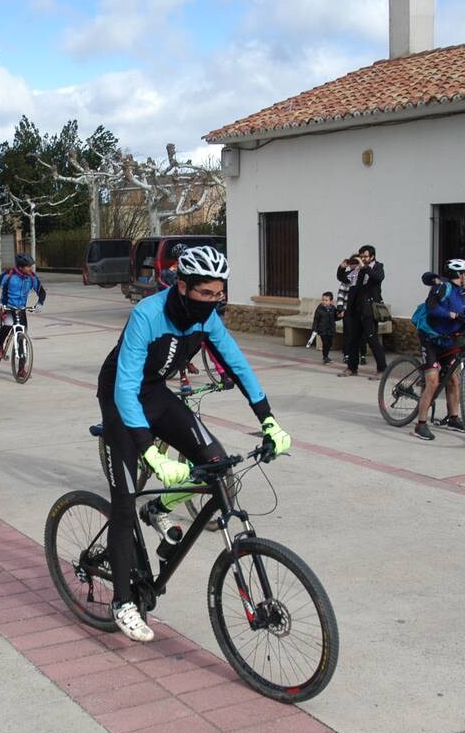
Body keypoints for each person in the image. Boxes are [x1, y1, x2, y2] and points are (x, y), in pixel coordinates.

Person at [97, 245, 290, 642]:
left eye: (219, 294)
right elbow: (127, 387)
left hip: (156, 394)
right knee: (123, 498)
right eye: (205, 294)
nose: (213, 302)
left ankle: (159, 508)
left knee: (216, 463)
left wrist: (268, 420)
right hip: (121, 397)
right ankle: (122, 601)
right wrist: (150, 451)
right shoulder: (147, 315)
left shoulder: (208, 320)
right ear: (182, 286)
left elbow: (237, 365)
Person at [412, 260, 465, 441]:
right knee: (432, 381)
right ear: (461, 275)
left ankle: (453, 417)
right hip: (430, 339)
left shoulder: (463, 295)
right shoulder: (442, 288)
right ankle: (421, 424)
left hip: (449, 342)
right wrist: (451, 315)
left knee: (454, 380)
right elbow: (432, 309)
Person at [0, 253, 47, 377]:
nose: (31, 269)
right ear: (21, 267)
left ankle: (21, 368)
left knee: (22, 337)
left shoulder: (31, 277)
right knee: (8, 324)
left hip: (21, 310)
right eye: (28, 266)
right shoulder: (9, 274)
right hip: (7, 308)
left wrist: (40, 303)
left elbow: (42, 292)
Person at [335, 245, 388, 378]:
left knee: (372, 339)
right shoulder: (357, 270)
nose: (363, 259)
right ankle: (352, 368)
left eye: (365, 256)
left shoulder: (377, 267)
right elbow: (343, 278)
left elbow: (378, 277)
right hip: (354, 309)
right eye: (361, 256)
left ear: (372, 257)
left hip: (369, 310)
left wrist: (364, 267)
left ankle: (382, 369)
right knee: (353, 339)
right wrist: (342, 267)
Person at [311, 292, 339, 364]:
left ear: (331, 301)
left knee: (329, 343)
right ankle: (325, 357)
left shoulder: (333, 308)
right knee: (325, 343)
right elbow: (316, 320)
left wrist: (340, 316)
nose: (324, 302)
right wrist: (315, 329)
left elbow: (335, 318)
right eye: (323, 300)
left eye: (326, 300)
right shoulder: (320, 308)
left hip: (331, 329)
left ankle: (326, 356)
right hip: (322, 329)